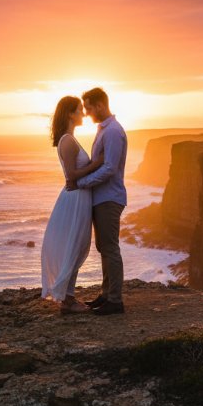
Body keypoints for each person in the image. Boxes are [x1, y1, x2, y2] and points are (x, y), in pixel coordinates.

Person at [41, 96, 105, 314]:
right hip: (75, 198)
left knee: (77, 246)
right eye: (79, 110)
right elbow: (71, 176)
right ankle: (67, 301)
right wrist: (97, 164)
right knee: (74, 246)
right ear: (70, 114)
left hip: (79, 198)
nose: (83, 113)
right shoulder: (67, 140)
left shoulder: (70, 139)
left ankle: (68, 297)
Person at [68, 87, 128, 315]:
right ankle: (106, 295)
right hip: (102, 197)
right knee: (104, 247)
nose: (87, 113)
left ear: (100, 105)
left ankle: (115, 300)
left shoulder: (112, 131)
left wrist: (81, 183)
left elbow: (111, 168)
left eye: (89, 108)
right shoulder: (104, 129)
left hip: (109, 197)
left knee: (110, 248)